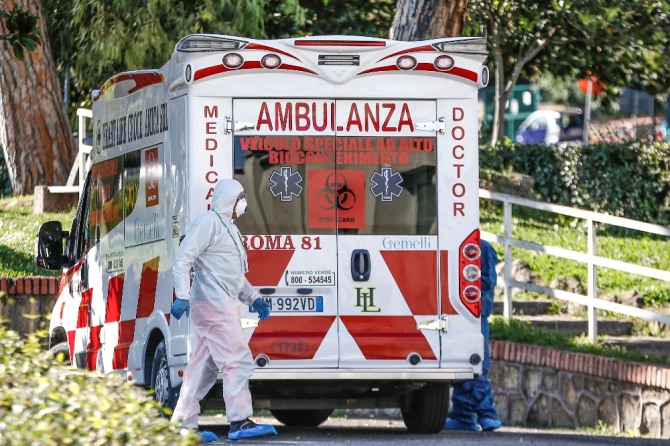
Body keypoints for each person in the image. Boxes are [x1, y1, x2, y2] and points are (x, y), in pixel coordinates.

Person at [170, 178, 277, 442]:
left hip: (221, 303)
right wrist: (182, 295)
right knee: (237, 360)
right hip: (213, 304)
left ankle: (183, 425)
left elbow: (234, 276)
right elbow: (183, 259)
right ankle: (240, 421)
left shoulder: (230, 229)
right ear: (230, 198)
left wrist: (253, 299)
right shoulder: (209, 223)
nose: (244, 203)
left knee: (200, 370)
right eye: (241, 197)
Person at [444, 239, 502, 432]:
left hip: (474, 314)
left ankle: (487, 414)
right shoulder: (477, 246)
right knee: (463, 364)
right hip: (464, 311)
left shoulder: (481, 247)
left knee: (475, 365)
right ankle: (464, 416)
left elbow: (487, 281)